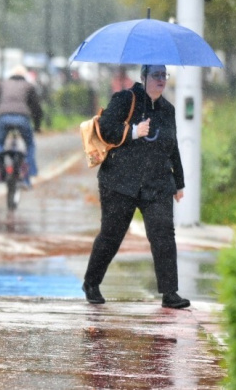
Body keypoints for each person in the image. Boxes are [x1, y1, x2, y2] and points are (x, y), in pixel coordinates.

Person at [82, 64, 190, 309]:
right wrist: (132, 131)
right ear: (143, 77)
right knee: (111, 235)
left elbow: (172, 147)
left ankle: (170, 293)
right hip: (120, 182)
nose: (161, 80)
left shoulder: (167, 110)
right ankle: (91, 282)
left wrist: (179, 183)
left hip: (157, 184)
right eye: (156, 75)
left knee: (163, 236)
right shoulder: (125, 99)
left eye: (164, 75)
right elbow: (106, 128)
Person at [0, 64, 43, 188]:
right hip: (22, 118)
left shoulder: (2, 85)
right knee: (29, 144)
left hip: (2, 118)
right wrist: (37, 126)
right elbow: (36, 108)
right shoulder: (29, 86)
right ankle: (29, 174)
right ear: (24, 75)